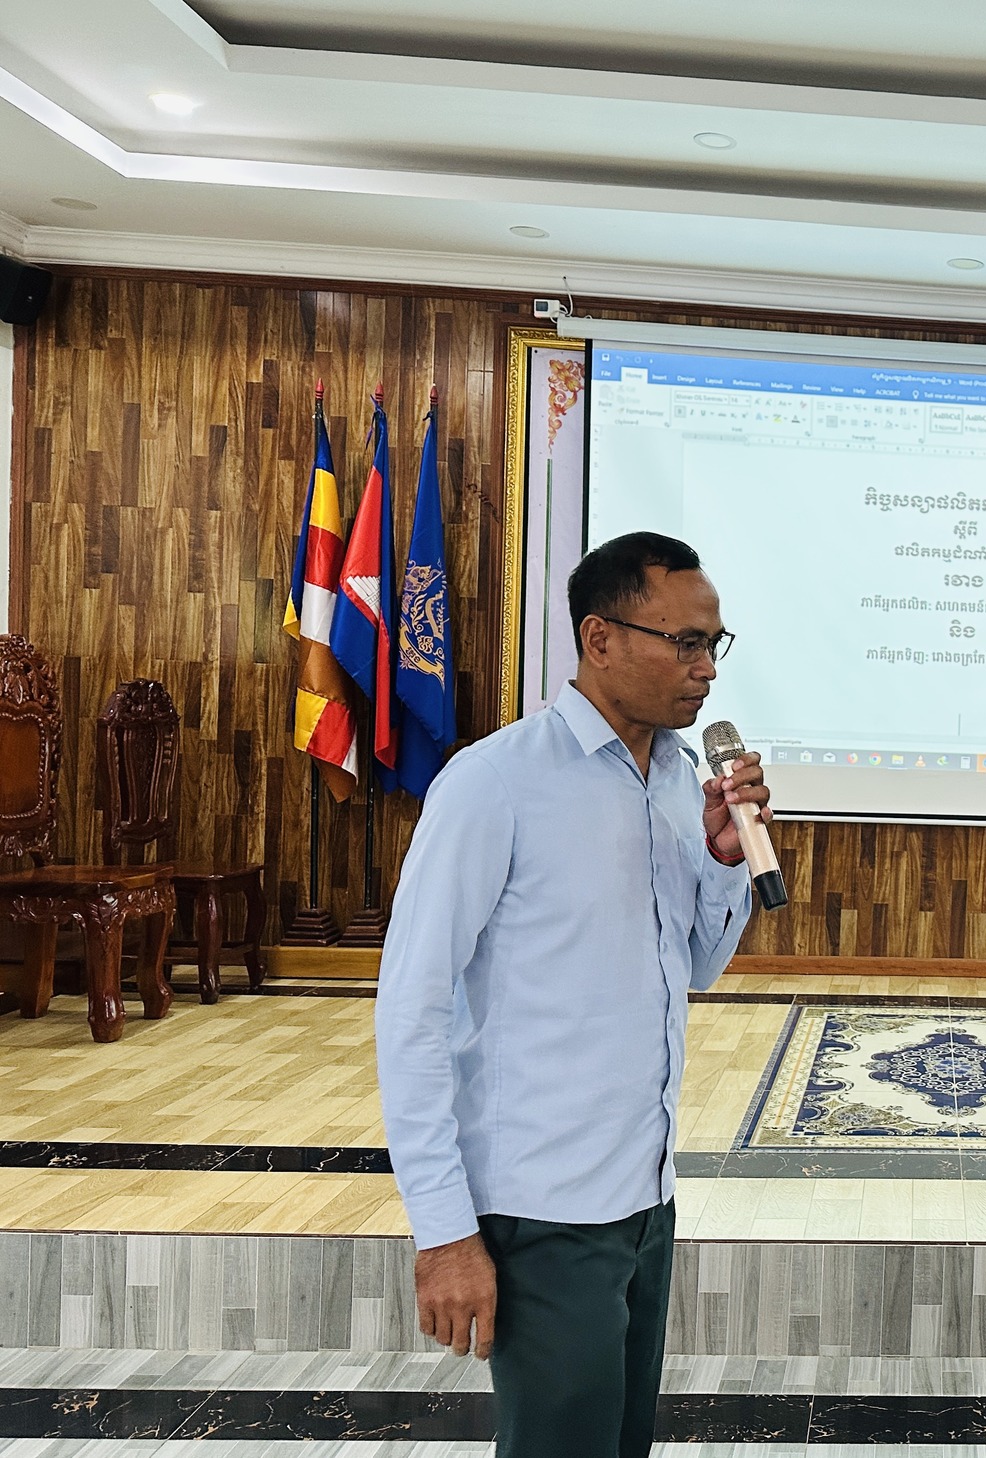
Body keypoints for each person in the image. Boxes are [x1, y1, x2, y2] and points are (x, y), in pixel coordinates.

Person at [375, 532, 771, 1458]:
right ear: (600, 638)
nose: (707, 668)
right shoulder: (496, 783)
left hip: (644, 1195)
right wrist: (444, 1233)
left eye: (715, 643)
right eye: (685, 642)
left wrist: (724, 861)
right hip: (542, 1207)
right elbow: (411, 1010)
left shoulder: (676, 778)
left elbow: (699, 967)